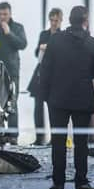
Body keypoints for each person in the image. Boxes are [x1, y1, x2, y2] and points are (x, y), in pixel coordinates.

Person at [39, 6, 94, 189]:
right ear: (85, 21)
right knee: (81, 142)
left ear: (69, 19)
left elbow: (46, 69)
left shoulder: (55, 40)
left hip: (57, 98)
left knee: (58, 141)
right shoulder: (92, 43)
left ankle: (58, 182)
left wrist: (45, 96)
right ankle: (81, 181)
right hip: (83, 98)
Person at [0, 2, 27, 145]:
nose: (2, 17)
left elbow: (22, 44)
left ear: (10, 13)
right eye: (0, 14)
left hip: (12, 71)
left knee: (12, 102)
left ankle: (12, 135)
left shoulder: (17, 27)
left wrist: (8, 33)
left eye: (5, 14)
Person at [27, 8, 63, 145]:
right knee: (38, 105)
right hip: (41, 72)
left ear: (61, 20)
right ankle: (39, 137)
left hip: (55, 74)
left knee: (53, 107)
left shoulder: (63, 35)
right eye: (52, 20)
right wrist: (41, 48)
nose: (54, 23)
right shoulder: (44, 34)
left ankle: (55, 138)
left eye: (56, 20)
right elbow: (37, 53)